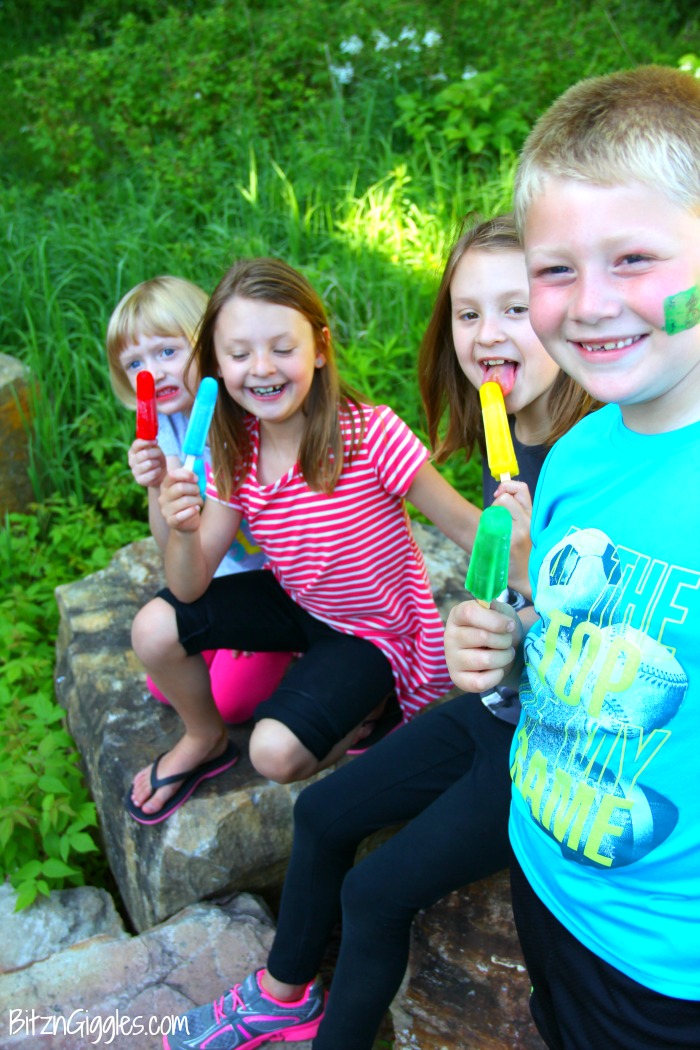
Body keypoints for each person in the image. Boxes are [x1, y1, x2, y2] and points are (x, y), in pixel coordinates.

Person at [161, 217, 594, 1050]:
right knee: (322, 814)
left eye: (513, 307)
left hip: (555, 749)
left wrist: (529, 584)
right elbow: (185, 579)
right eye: (467, 314)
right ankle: (282, 997)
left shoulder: (595, 451)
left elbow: (610, 637)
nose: (486, 335)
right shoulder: (520, 444)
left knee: (372, 892)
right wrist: (508, 596)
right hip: (503, 708)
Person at [445, 66, 700, 1049]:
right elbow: (562, 648)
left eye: (632, 257)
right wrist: (505, 655)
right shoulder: (581, 453)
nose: (588, 305)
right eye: (554, 269)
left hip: (668, 966)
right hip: (546, 875)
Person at [128, 256, 487, 824]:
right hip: (298, 603)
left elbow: (467, 526)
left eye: (282, 348)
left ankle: (378, 702)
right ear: (217, 364)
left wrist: (528, 573)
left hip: (373, 635)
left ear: (319, 347)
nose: (261, 368)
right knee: (152, 627)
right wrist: (182, 527)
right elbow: (189, 584)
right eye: (239, 353)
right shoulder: (234, 448)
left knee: (274, 752)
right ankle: (205, 739)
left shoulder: (371, 435)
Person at [106, 277, 291, 733]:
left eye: (168, 352)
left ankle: (294, 653)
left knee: (228, 704)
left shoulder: (243, 417)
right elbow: (173, 546)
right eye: (135, 363)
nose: (153, 373)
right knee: (163, 686)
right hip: (213, 577)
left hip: (281, 585)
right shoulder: (165, 428)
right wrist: (156, 486)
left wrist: (251, 623)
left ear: (208, 343)